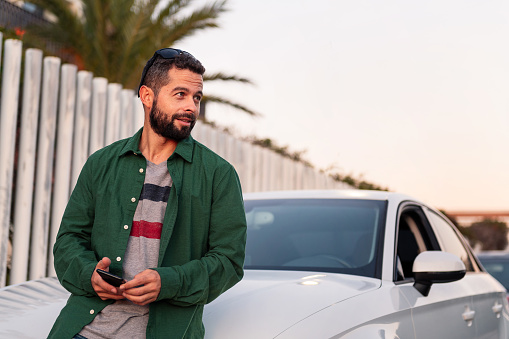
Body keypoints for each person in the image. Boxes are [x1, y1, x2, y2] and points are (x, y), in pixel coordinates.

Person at [48, 48, 247, 339]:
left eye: (196, 97)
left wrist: (168, 282)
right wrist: (89, 274)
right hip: (84, 329)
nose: (191, 106)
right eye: (180, 94)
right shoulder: (102, 163)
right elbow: (68, 241)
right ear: (147, 96)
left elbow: (229, 262)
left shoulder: (219, 175)